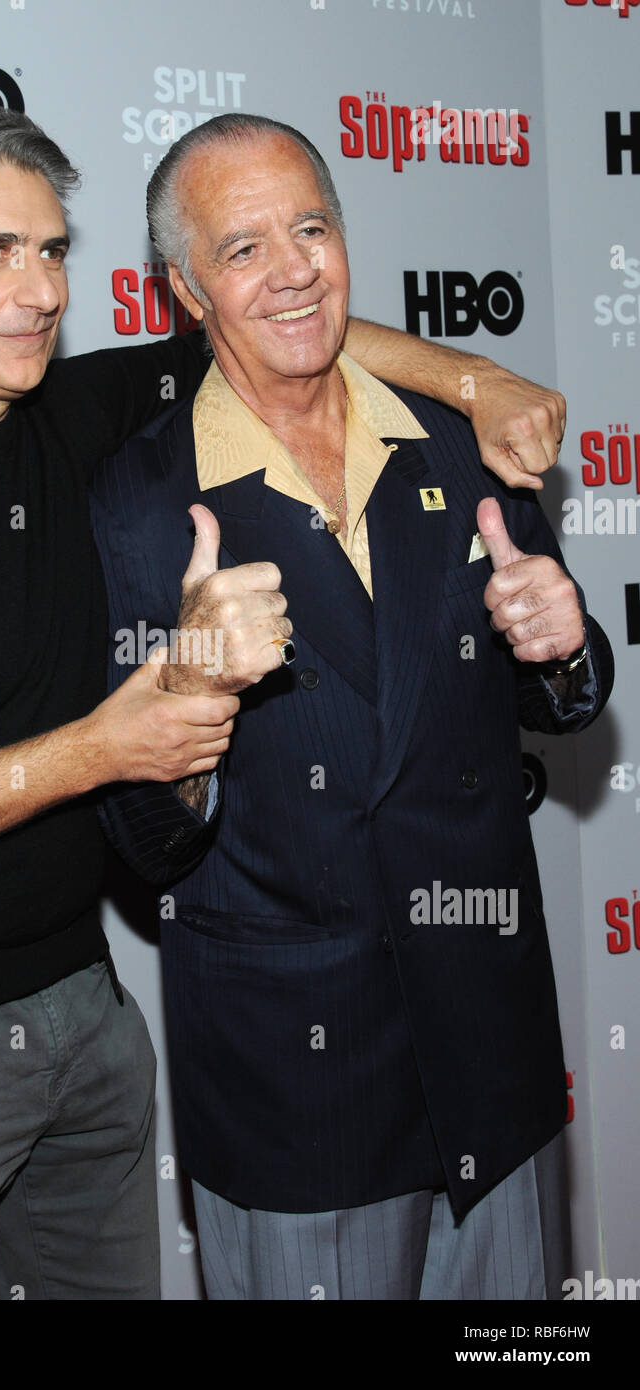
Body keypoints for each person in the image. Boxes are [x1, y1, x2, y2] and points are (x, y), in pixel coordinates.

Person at [0, 102, 572, 1302]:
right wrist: (102, 745)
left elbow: (283, 315)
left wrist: (473, 374)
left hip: (86, 1025)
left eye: (53, 250)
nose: (41, 290)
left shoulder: (74, 418)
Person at [91, 113, 614, 1301]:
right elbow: (142, 836)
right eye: (242, 248)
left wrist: (566, 647)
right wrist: (187, 687)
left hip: (492, 1051)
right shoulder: (140, 502)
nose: (292, 270)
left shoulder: (457, 444)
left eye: (311, 227)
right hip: (297, 1084)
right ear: (183, 288)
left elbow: (564, 705)